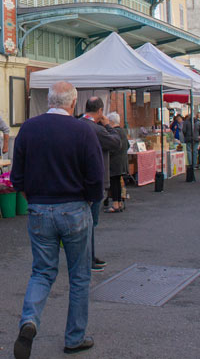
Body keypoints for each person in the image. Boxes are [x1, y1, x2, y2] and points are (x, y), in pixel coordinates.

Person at [11, 81, 104, 359]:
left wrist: (32, 197)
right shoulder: (83, 130)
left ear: (50, 101)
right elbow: (95, 176)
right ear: (73, 103)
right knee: (79, 275)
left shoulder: (28, 128)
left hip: (40, 208)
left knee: (42, 272)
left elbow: (18, 176)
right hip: (75, 207)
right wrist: (89, 200)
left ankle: (29, 320)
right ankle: (74, 337)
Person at [80, 97, 121, 272]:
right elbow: (116, 142)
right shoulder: (96, 129)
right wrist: (108, 125)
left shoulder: (78, 123)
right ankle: (87, 259)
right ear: (100, 111)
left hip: (79, 178)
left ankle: (88, 257)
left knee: (85, 221)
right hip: (94, 179)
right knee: (90, 222)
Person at [105, 112, 129, 213]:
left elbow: (111, 147)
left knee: (114, 183)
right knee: (118, 182)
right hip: (122, 161)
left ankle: (115, 205)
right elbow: (127, 145)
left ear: (111, 121)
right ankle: (119, 203)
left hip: (114, 161)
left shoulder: (113, 132)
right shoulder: (123, 131)